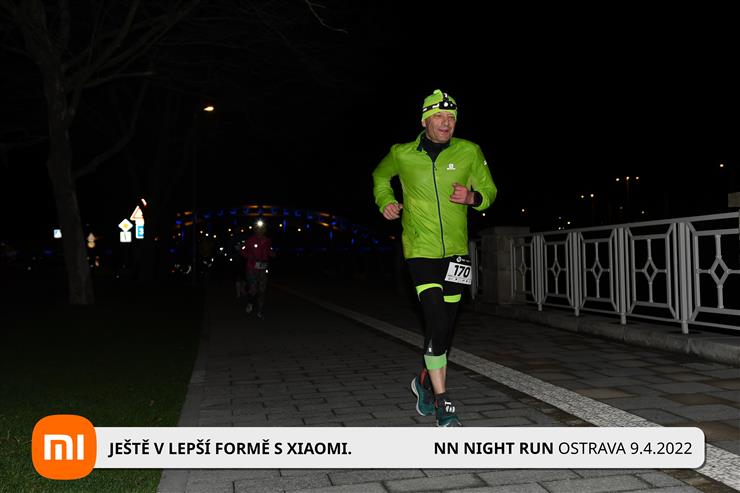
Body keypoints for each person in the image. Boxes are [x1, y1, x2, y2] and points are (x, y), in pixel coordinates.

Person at [372, 89, 497, 427]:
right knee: (437, 320)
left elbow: (490, 191)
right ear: (425, 120)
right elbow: (380, 176)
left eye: (451, 117)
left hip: (457, 253)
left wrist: (472, 197)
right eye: (439, 116)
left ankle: (424, 381)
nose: (446, 122)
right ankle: (443, 401)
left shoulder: (469, 151)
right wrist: (386, 200)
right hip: (420, 249)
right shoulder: (401, 154)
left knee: (446, 325)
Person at [240, 220, 275, 319]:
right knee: (253, 289)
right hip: (252, 267)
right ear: (255, 230)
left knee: (262, 290)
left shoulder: (267, 240)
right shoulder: (250, 240)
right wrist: (249, 256)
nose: (260, 231)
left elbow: (269, 251)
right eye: (258, 229)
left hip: (263, 268)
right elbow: (243, 251)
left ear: (265, 230)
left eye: (262, 229)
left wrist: (272, 253)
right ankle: (250, 303)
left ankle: (260, 310)